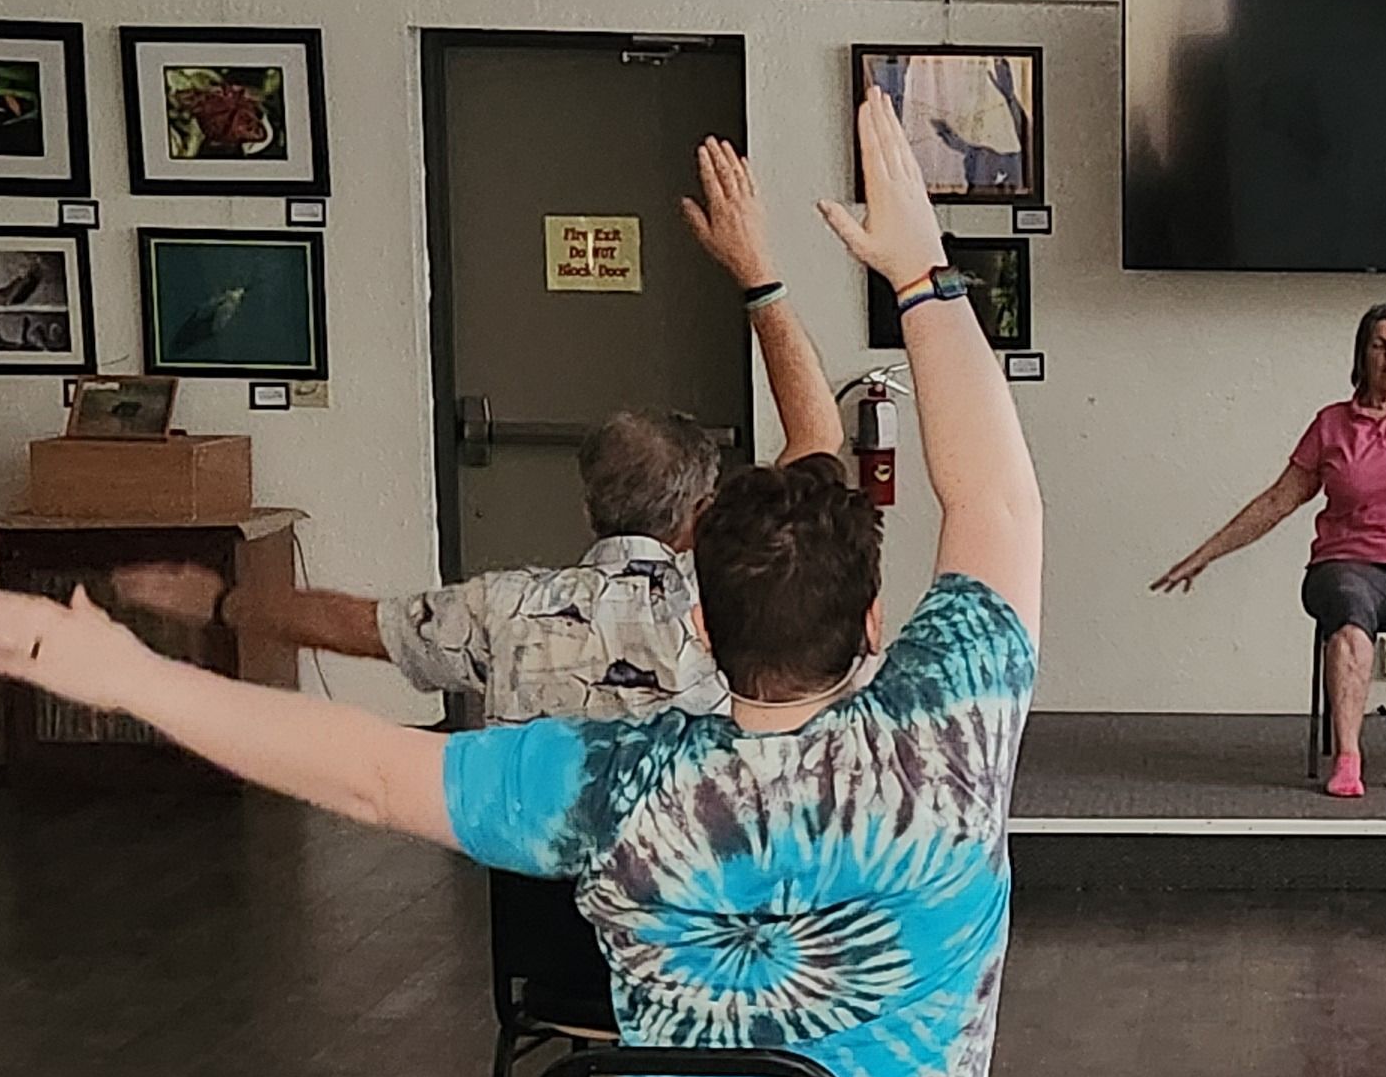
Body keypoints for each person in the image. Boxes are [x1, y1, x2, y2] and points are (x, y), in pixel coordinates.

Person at [0, 93, 1120, 1077]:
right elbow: (1002, 507)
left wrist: (131, 672)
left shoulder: (613, 781)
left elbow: (361, 773)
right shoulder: (948, 730)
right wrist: (920, 276)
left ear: (698, 627)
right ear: (872, 632)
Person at [108, 141, 843, 724]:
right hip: (691, 883)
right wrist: (758, 274)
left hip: (540, 890)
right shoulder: (732, 593)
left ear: (588, 507)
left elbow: (359, 624)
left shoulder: (502, 610)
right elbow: (816, 432)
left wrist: (221, 603)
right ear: (701, 511)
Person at [1151, 156, 1386, 800]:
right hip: (1350, 559)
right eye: (1381, 344)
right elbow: (1278, 500)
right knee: (1349, 610)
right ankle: (1349, 758)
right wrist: (1206, 554)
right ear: (1361, 354)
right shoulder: (1332, 424)